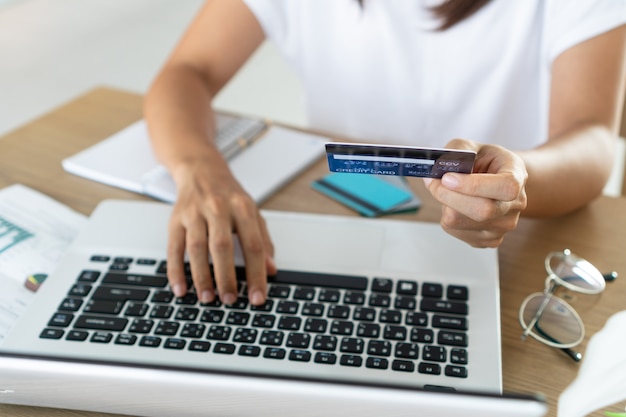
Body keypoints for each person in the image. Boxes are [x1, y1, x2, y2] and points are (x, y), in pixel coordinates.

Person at [143, 0, 626, 307]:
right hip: (333, 232)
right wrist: (199, 169)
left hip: (506, 260)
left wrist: (519, 179)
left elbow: (593, 139)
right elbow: (186, 70)